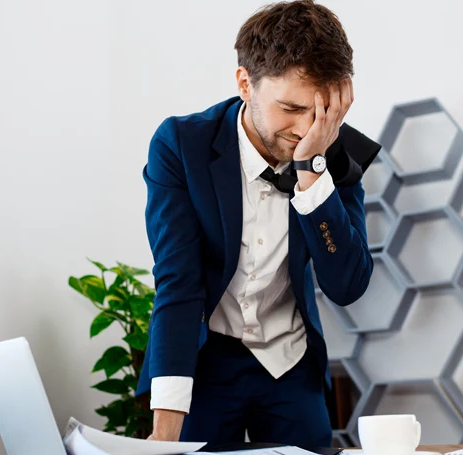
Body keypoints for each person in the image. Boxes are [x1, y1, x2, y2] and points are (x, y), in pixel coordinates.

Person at [137, 0, 377, 447]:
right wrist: (163, 437)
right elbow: (179, 284)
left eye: (321, 110)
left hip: (291, 362)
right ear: (245, 83)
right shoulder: (181, 146)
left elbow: (347, 285)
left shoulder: (333, 151)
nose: (307, 127)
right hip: (206, 359)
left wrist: (312, 171)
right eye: (291, 107)